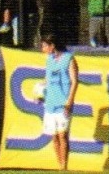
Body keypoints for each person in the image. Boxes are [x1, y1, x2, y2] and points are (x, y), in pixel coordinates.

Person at [40, 34, 79, 171]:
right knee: (54, 136)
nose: (43, 49)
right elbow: (47, 79)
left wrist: (69, 102)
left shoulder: (69, 59)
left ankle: (64, 167)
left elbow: (74, 82)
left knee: (63, 135)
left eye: (45, 46)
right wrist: (39, 90)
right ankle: (59, 165)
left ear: (52, 46)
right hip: (50, 103)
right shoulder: (49, 60)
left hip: (63, 103)